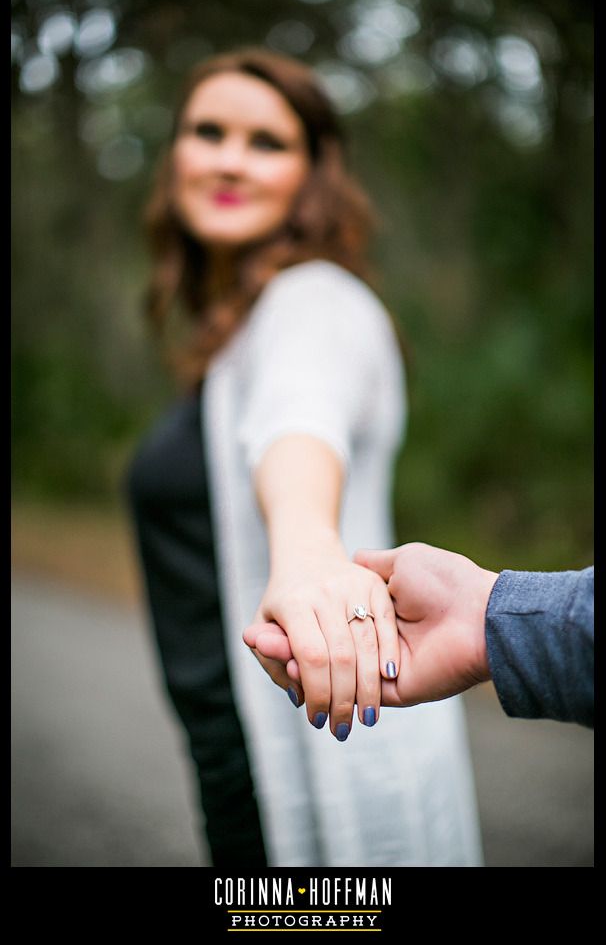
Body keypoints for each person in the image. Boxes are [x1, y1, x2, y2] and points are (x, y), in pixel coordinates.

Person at [127, 47, 483, 867]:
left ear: (312, 174)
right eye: (208, 131)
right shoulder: (233, 338)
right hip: (235, 765)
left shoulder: (314, 303)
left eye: (267, 142)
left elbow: (299, 419)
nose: (229, 159)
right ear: (175, 153)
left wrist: (308, 552)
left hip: (319, 769)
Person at [245, 542, 594, 729]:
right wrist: (479, 613)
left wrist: (307, 553)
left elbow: (300, 433)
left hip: (382, 638)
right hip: (384, 641)